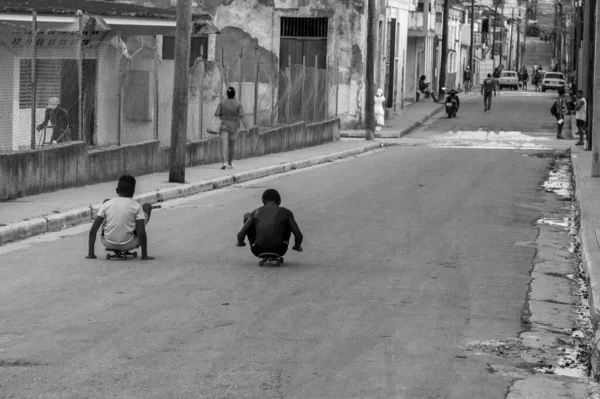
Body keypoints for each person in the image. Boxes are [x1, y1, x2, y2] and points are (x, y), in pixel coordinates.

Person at [86, 175, 154, 260]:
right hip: (130, 243)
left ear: (117, 190)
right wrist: (144, 255)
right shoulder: (137, 207)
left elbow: (93, 230)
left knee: (106, 202)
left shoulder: (107, 204)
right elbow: (142, 233)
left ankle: (110, 241)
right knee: (147, 207)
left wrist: (91, 254)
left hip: (107, 242)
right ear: (133, 192)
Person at [236, 189, 303, 257]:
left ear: (263, 200)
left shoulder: (255, 212)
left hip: (258, 250)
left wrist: (240, 242)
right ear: (279, 202)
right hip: (280, 250)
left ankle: (253, 243)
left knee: (247, 216)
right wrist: (297, 246)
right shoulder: (286, 212)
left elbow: (241, 234)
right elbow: (298, 236)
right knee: (287, 221)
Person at [215, 87, 249, 170]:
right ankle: (230, 163)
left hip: (224, 126)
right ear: (234, 94)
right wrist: (247, 127)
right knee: (231, 146)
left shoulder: (222, 102)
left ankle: (224, 163)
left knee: (223, 144)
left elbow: (216, 114)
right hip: (234, 128)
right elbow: (242, 116)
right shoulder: (238, 104)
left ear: (227, 94)